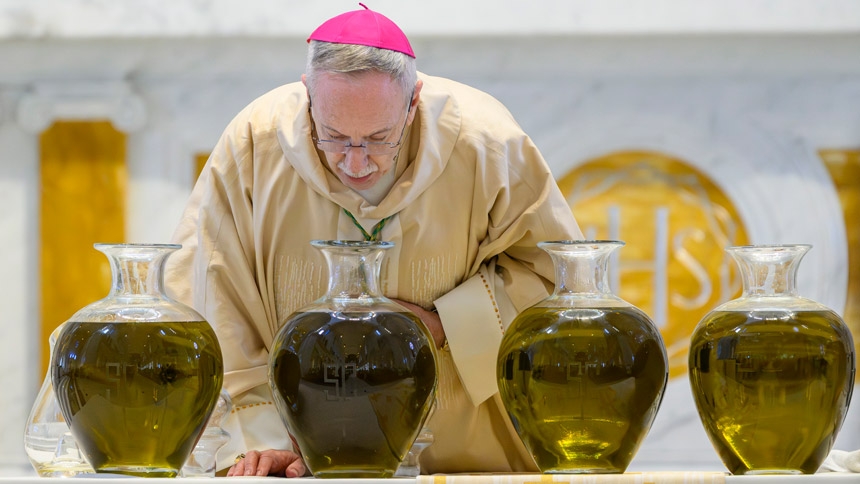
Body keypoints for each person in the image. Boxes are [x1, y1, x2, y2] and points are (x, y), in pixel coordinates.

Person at [165, 3, 583, 478]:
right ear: (307, 97)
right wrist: (258, 443)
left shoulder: (487, 144)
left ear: (414, 101)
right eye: (335, 137)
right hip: (293, 455)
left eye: (380, 138)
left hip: (460, 454)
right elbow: (215, 300)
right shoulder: (254, 145)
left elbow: (559, 278)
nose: (356, 163)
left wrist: (449, 323)